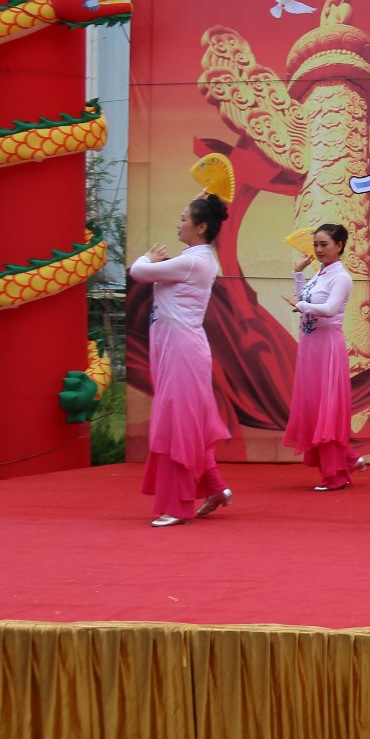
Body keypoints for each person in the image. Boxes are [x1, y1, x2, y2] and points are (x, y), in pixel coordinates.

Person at [131, 194, 233, 527]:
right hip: (175, 348)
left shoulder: (194, 262)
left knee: (178, 426)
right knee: (186, 424)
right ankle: (214, 488)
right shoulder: (194, 259)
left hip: (182, 351)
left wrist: (146, 257)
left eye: (183, 218)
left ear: (201, 227)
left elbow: (139, 272)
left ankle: (177, 505)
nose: (178, 224)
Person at [284, 224, 363, 492]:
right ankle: (347, 459)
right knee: (314, 405)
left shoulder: (341, 277)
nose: (318, 249)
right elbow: (304, 299)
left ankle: (335, 475)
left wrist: (301, 306)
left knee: (327, 408)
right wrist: (298, 273)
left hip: (327, 346)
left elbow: (328, 309)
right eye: (316, 244)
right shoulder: (320, 274)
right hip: (310, 346)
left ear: (339, 245)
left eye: (324, 244)